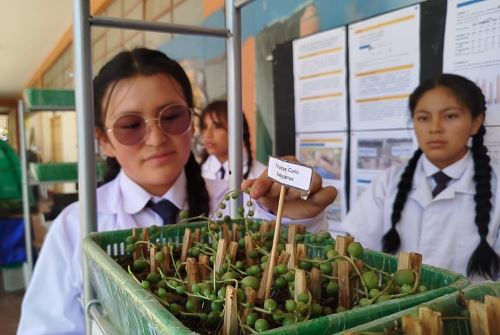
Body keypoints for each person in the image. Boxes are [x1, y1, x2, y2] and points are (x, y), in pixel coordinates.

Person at [17, 48, 336, 334]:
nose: (156, 138)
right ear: (103, 141)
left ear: (191, 122)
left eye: (171, 117)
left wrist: (300, 221)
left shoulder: (239, 201)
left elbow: (291, 281)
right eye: (131, 125)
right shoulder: (77, 227)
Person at [340, 73, 500, 281]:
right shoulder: (389, 182)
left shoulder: (496, 185)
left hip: (472, 312)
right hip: (395, 310)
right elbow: (353, 250)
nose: (435, 128)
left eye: (450, 116)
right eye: (423, 118)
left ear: (475, 123)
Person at [199, 100, 266, 180]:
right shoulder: (194, 174)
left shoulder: (261, 176)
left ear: (237, 130)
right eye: (204, 127)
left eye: (217, 126)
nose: (207, 135)